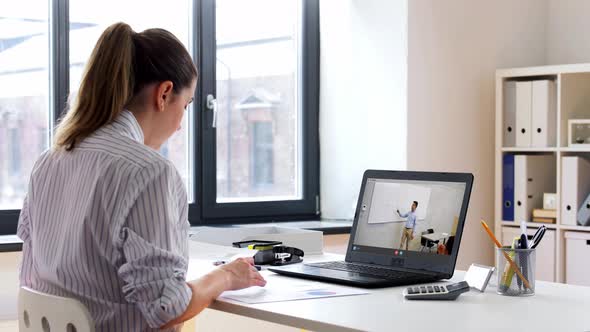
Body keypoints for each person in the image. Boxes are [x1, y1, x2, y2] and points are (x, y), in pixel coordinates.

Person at [16, 22, 266, 331]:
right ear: (164, 94)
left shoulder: (47, 163)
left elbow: (30, 279)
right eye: (186, 105)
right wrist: (226, 276)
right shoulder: (150, 173)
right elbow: (166, 308)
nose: (179, 126)